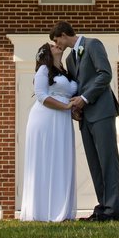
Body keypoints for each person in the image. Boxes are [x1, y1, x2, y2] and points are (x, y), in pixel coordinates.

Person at [50, 21, 119, 222]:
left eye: (57, 40)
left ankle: (113, 210)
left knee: (108, 161)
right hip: (85, 117)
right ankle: (103, 208)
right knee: (95, 164)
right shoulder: (70, 59)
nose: (57, 44)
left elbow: (105, 74)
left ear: (64, 35)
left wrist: (85, 98)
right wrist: (75, 107)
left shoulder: (93, 44)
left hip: (102, 112)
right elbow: (76, 86)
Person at [20, 41, 78, 221]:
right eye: (52, 46)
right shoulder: (43, 70)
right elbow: (41, 96)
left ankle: (61, 209)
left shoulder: (66, 72)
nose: (57, 46)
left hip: (62, 121)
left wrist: (73, 109)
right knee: (45, 160)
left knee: (61, 159)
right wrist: (66, 106)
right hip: (45, 118)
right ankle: (42, 211)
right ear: (46, 53)